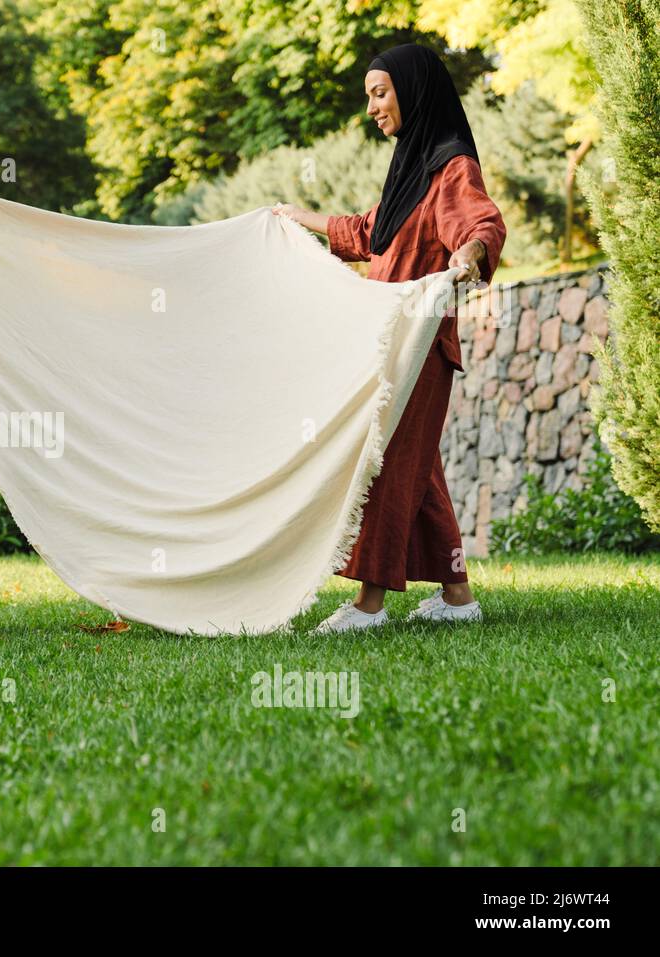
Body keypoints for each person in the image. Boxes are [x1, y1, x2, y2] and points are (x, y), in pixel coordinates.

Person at [272, 43, 505, 633]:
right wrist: (302, 218)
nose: (373, 108)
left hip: (418, 347)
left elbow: (478, 221)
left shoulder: (451, 166)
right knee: (417, 468)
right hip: (390, 344)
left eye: (381, 93)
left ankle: (368, 607)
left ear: (414, 89)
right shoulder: (413, 170)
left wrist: (474, 251)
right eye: (369, 97)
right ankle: (457, 598)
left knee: (387, 463)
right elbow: (371, 233)